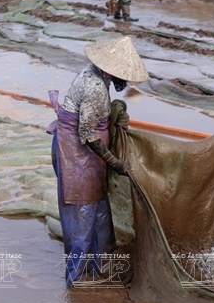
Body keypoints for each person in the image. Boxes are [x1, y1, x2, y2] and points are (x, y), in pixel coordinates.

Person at [48, 36, 148, 287]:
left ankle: (101, 268)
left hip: (87, 155)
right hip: (77, 155)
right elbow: (87, 134)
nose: (121, 79)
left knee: (100, 213)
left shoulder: (95, 74)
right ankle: (75, 284)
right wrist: (114, 161)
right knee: (82, 214)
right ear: (107, 69)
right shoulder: (94, 87)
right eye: (119, 73)